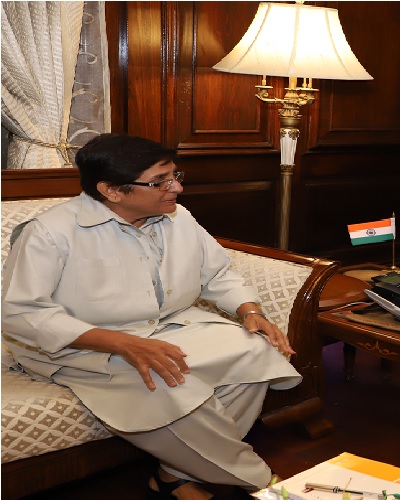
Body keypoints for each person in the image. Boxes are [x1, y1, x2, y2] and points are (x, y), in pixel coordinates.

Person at [2, 134, 302, 500]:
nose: (175, 187)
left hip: (168, 326)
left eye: (175, 175)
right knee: (166, 379)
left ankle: (174, 474)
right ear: (112, 190)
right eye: (160, 181)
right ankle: (262, 481)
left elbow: (218, 273)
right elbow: (22, 312)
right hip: (83, 345)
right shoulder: (49, 233)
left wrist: (249, 311)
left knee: (253, 348)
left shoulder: (178, 217)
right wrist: (121, 343)